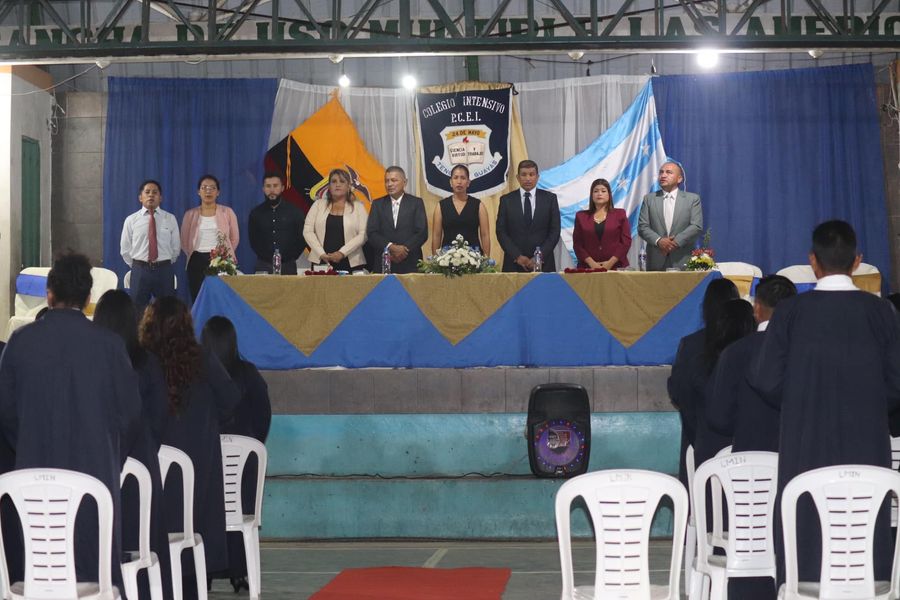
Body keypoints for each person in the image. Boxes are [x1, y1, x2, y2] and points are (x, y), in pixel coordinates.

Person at [750, 220, 900, 586]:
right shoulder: (880, 312)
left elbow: (765, 377)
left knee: (806, 538)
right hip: (866, 442)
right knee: (864, 532)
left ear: (813, 261)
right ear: (857, 261)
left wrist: (800, 399)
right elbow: (896, 381)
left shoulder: (790, 312)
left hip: (806, 443)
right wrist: (869, 403)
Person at [0, 252, 142, 591]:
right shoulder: (110, 346)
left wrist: (31, 444)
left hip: (33, 481)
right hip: (94, 480)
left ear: (49, 293)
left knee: (40, 575)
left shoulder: (20, 343)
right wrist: (110, 457)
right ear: (89, 297)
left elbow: (7, 413)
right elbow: (130, 414)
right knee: (93, 575)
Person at [140, 297, 240, 599]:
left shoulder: (143, 363)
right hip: (198, 472)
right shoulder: (202, 359)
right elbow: (230, 400)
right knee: (195, 542)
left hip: (152, 475)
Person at [94, 289, 174, 600]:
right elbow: (160, 416)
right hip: (142, 464)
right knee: (145, 546)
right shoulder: (148, 362)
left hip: (98, 463)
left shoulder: (93, 362)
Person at [201, 316, 271, 593]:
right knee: (241, 508)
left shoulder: (197, 377)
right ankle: (240, 572)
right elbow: (263, 417)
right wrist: (249, 445)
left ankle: (203, 571)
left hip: (205, 466)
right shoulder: (249, 373)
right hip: (243, 467)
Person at [708, 275, 797, 453]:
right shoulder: (805, 350)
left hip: (748, 460)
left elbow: (719, 417)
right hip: (797, 458)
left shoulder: (734, 352)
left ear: (756, 308)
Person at [667, 277, 739, 488]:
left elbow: (678, 391)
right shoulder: (748, 343)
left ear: (706, 307)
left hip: (699, 441)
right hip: (742, 446)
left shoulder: (690, 344)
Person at [121, 179, 181, 311]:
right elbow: (125, 249)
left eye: (155, 192)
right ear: (140, 197)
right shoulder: (131, 220)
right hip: (140, 270)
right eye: (147, 192)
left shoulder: (170, 219)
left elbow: (176, 248)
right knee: (137, 310)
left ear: (161, 198)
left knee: (168, 310)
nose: (151, 195)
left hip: (164, 270)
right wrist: (138, 265)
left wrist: (163, 262)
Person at [181, 174, 240, 302]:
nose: (208, 191)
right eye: (204, 188)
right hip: (196, 261)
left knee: (221, 299)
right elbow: (184, 241)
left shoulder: (227, 212)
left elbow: (234, 238)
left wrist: (224, 255)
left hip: (221, 260)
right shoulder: (190, 214)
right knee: (198, 299)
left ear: (218, 192)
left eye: (212, 188)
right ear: (198, 192)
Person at [496, 160, 560, 272]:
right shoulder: (506, 200)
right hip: (514, 264)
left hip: (544, 264)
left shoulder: (550, 199)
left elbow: (555, 231)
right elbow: (501, 232)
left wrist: (539, 256)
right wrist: (517, 256)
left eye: (531, 174)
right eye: (524, 174)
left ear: (537, 177)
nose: (528, 178)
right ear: (517, 177)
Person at [637, 161, 703, 270]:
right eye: (661, 172)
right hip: (656, 260)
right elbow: (642, 227)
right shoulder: (649, 199)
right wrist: (659, 241)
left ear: (679, 179)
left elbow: (696, 226)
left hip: (682, 259)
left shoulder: (692, 199)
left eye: (668, 172)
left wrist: (674, 243)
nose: (663, 175)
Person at [304, 168, 369, 272]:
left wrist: (342, 253)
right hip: (321, 261)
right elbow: (307, 231)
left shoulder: (359, 207)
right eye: (334, 181)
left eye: (342, 181)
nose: (337, 185)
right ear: (329, 186)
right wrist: (321, 253)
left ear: (348, 186)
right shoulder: (318, 205)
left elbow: (364, 234)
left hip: (351, 262)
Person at [366, 166, 428, 274]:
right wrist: (391, 247)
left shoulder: (416, 203)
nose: (389, 184)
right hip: (384, 262)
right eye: (387, 181)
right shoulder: (377, 204)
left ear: (405, 182)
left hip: (411, 262)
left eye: (394, 180)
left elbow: (422, 232)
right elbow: (372, 232)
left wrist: (404, 249)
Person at [248, 173, 305, 275]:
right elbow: (253, 241)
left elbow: (301, 239)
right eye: (268, 186)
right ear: (263, 189)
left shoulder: (295, 212)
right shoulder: (255, 213)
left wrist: (289, 257)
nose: (272, 190)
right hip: (263, 265)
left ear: (282, 188)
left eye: (275, 186)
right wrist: (267, 257)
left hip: (288, 266)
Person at [431, 164, 491, 257]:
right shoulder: (441, 206)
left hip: (474, 258)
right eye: (455, 178)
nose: (459, 182)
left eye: (463, 178)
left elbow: (485, 235)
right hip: (447, 259)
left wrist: (486, 259)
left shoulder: (478, 205)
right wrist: (435, 259)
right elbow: (436, 235)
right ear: (451, 182)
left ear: (468, 182)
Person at [572, 178, 631, 270]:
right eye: (596, 191)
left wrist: (610, 263)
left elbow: (626, 242)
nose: (599, 194)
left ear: (609, 195)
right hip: (588, 268)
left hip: (616, 267)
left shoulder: (620, 214)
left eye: (603, 191)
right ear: (591, 195)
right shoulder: (581, 216)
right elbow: (577, 244)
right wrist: (592, 264)